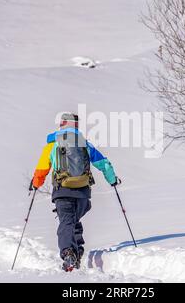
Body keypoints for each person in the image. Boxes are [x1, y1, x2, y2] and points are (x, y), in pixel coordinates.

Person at [29, 112, 118, 272]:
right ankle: (78, 252)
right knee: (72, 220)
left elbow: (42, 168)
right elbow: (104, 164)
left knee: (66, 222)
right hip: (83, 193)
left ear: (62, 125)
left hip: (62, 191)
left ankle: (68, 253)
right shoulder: (84, 144)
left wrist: (35, 184)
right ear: (76, 126)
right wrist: (112, 180)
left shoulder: (53, 144)